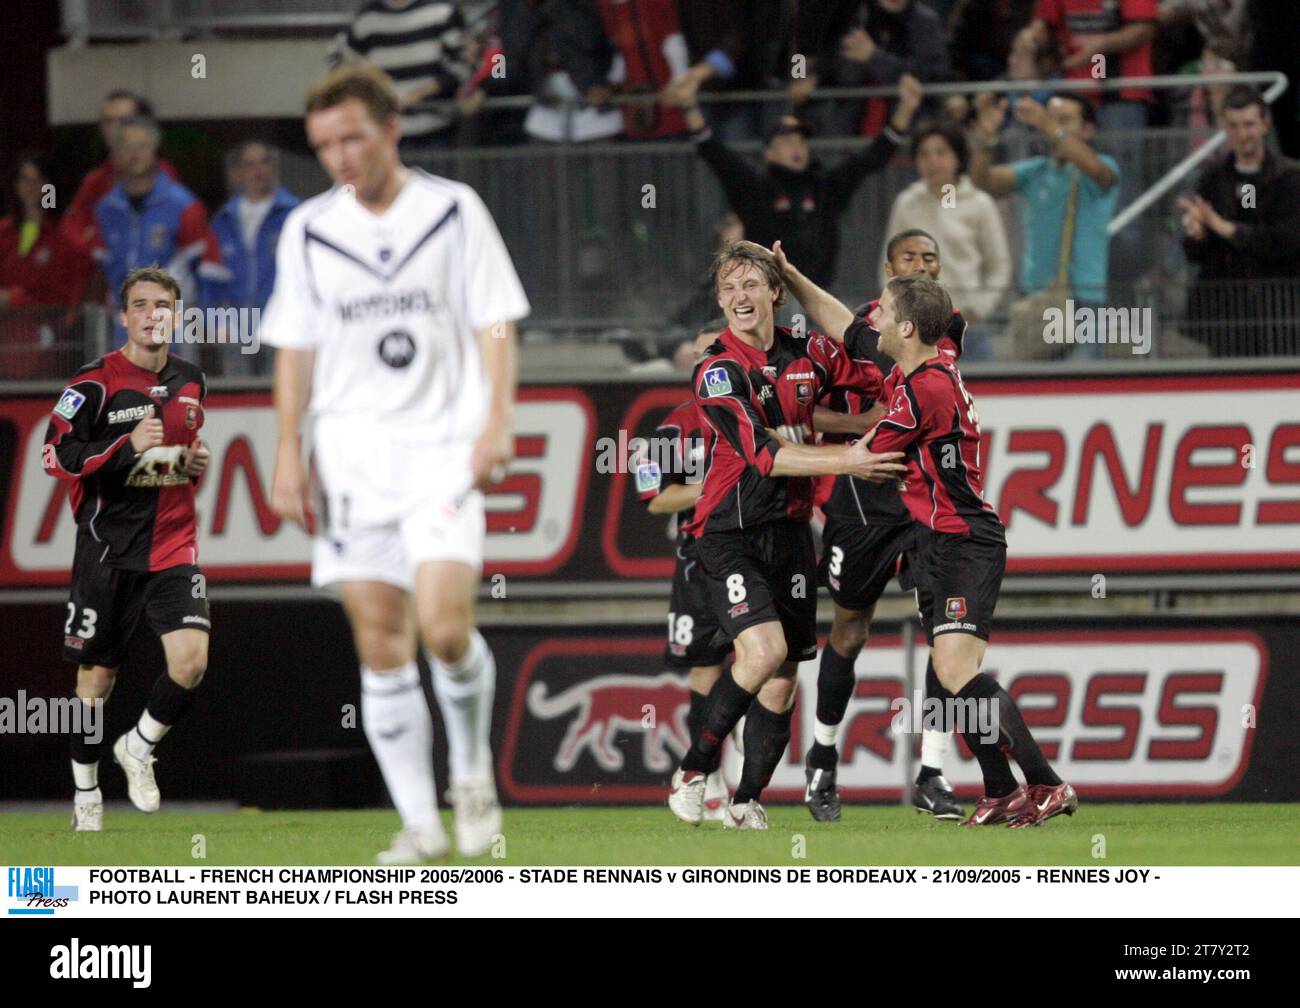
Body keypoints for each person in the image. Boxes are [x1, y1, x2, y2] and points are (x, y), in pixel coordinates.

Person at [265, 64, 529, 863]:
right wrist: (288, 451)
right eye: (323, 145)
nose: (339, 156)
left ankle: (473, 773)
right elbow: (295, 346)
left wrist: (497, 421)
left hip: (443, 451)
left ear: (389, 130)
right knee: (380, 641)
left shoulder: (453, 211)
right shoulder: (308, 229)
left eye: (351, 137)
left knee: (446, 629)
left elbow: (494, 322)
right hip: (350, 459)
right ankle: (421, 825)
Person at [665, 242, 906, 830]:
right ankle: (693, 770)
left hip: (793, 533)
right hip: (729, 531)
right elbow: (764, 456)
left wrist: (798, 276)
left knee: (781, 684)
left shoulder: (808, 351)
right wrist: (849, 458)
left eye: (751, 284)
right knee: (764, 651)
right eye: (728, 288)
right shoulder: (716, 369)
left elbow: (876, 359)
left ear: (774, 292)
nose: (739, 297)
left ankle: (746, 801)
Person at [775, 231, 970, 822]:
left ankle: (933, 771)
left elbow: (857, 333)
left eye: (930, 258)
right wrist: (792, 276)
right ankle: (823, 757)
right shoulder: (870, 328)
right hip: (861, 501)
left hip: (923, 504)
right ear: (888, 269)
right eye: (910, 259)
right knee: (851, 629)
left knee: (946, 633)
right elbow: (811, 383)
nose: (923, 265)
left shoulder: (942, 326)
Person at [869, 274, 1076, 827]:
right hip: (939, 540)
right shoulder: (936, 358)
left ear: (907, 328)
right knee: (949, 669)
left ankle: (1046, 783)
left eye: (884, 311)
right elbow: (948, 321)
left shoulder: (922, 390)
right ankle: (1000, 787)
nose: (875, 318)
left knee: (957, 670)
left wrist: (775, 450)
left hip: (964, 538)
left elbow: (865, 459)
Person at [42, 265, 211, 832]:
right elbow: (55, 457)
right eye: (140, 305)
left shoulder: (192, 380)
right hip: (107, 551)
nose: (151, 314)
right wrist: (124, 442)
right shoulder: (91, 384)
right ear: (124, 315)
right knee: (96, 682)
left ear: (176, 313)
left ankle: (138, 747)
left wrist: (192, 466)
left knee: (190, 662)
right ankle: (86, 793)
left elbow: (166, 467)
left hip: (172, 546)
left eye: (161, 304)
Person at [665, 73, 923, 287]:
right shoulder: (755, 189)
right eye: (786, 141)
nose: (796, 147)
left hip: (819, 296)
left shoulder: (826, 186)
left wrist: (905, 110)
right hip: (771, 297)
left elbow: (870, 159)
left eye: (801, 141)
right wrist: (689, 107)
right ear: (769, 153)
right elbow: (715, 153)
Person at [640, 324, 732, 820]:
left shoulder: (760, 416)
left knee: (768, 668)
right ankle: (709, 776)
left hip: (762, 550)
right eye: (700, 355)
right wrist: (715, 487)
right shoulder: (672, 429)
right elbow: (656, 499)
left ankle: (740, 785)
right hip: (700, 556)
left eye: (716, 353)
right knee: (706, 665)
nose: (709, 364)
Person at [969, 91, 1119, 356]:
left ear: (1087, 130)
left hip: (1085, 299)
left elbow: (1099, 173)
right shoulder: (1036, 169)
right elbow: (982, 182)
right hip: (1035, 298)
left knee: (1085, 392)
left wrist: (1047, 124)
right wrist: (986, 139)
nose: (1052, 127)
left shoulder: (1104, 166)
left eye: (1064, 120)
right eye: (1050, 118)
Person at [1178, 85, 1300, 355]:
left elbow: (1287, 240)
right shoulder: (1213, 177)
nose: (1242, 134)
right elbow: (1196, 251)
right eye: (1233, 126)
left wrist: (1226, 229)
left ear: (1265, 124)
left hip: (1279, 310)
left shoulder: (1290, 178)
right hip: (1227, 313)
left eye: (1249, 125)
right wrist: (1197, 234)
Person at [93, 115, 227, 346]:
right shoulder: (106, 209)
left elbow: (205, 270)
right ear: (115, 153)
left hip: (172, 334)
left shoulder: (183, 205)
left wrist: (212, 324)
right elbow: (101, 273)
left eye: (142, 146)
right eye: (127, 147)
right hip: (122, 333)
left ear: (155, 149)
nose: (134, 154)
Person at [881, 125, 1011, 357]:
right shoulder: (907, 203)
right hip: (916, 331)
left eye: (941, 153)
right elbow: (889, 263)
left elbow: (999, 265)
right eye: (924, 154)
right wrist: (898, 310)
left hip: (968, 330)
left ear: (957, 157)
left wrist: (980, 308)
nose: (933, 161)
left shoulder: (979, 203)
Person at [205, 141, 301, 377]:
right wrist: (214, 322)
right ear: (238, 172)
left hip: (281, 322)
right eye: (250, 164)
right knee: (238, 395)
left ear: (275, 167)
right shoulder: (223, 220)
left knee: (279, 390)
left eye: (265, 162)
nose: (259, 170)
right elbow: (210, 279)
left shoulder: (296, 215)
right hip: (235, 325)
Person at [329, 0, 473, 151]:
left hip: (436, 129)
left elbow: (464, 67)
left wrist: (418, 94)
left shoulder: (442, 11)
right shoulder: (367, 18)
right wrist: (371, 96)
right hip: (384, 133)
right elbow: (338, 64)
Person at [61, 90, 180, 258]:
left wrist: (101, 234)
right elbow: (70, 229)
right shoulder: (95, 180)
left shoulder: (162, 173)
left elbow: (167, 229)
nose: (115, 128)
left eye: (124, 120)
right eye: (108, 121)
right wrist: (98, 245)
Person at [0, 152, 93, 309]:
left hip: (47, 327)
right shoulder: (4, 232)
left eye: (38, 179)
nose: (31, 186)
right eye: (24, 179)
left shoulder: (64, 234)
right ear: (15, 185)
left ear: (49, 186)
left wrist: (14, 298)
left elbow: (65, 294)